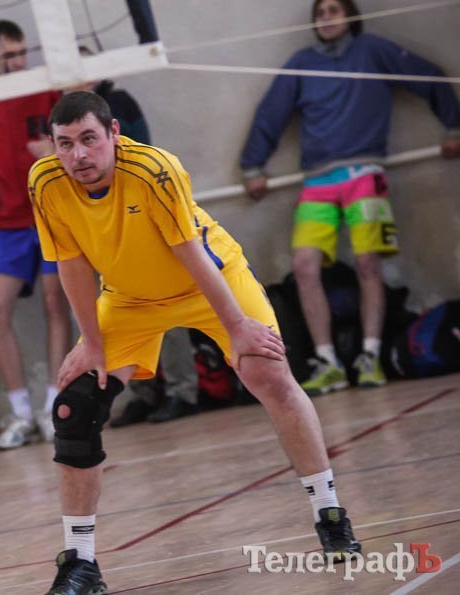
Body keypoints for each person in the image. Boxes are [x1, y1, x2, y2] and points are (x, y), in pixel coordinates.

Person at [31, 92, 361, 594]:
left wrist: (238, 328)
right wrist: (92, 345)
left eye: (89, 139)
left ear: (114, 133)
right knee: (75, 407)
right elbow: (71, 264)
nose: (78, 155)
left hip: (210, 281)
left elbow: (191, 253)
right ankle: (81, 563)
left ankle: (329, 513)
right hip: (130, 298)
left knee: (268, 372)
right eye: (65, 143)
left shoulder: (154, 170)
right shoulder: (46, 182)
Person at [240, 0, 460, 396]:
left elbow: (426, 75)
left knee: (367, 263)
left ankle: (371, 356)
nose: (326, 17)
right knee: (304, 266)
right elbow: (271, 112)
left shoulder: (372, 50)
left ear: (351, 16)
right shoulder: (302, 64)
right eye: (320, 12)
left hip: (365, 175)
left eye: (334, 10)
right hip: (317, 182)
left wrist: (453, 126)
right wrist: (253, 166)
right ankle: (328, 362)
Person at [67, 51, 200, 425]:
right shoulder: (62, 120)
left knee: (167, 305)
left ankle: (183, 391)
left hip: (143, 222)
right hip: (102, 230)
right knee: (123, 312)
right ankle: (144, 393)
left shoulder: (119, 103)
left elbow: (138, 152)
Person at [0, 20, 72, 449]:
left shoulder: (48, 91)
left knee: (55, 302)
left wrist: (53, 152)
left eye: (22, 52)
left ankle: (55, 406)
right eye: (9, 55)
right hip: (8, 226)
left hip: (52, 217)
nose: (18, 61)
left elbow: (77, 146)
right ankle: (21, 412)